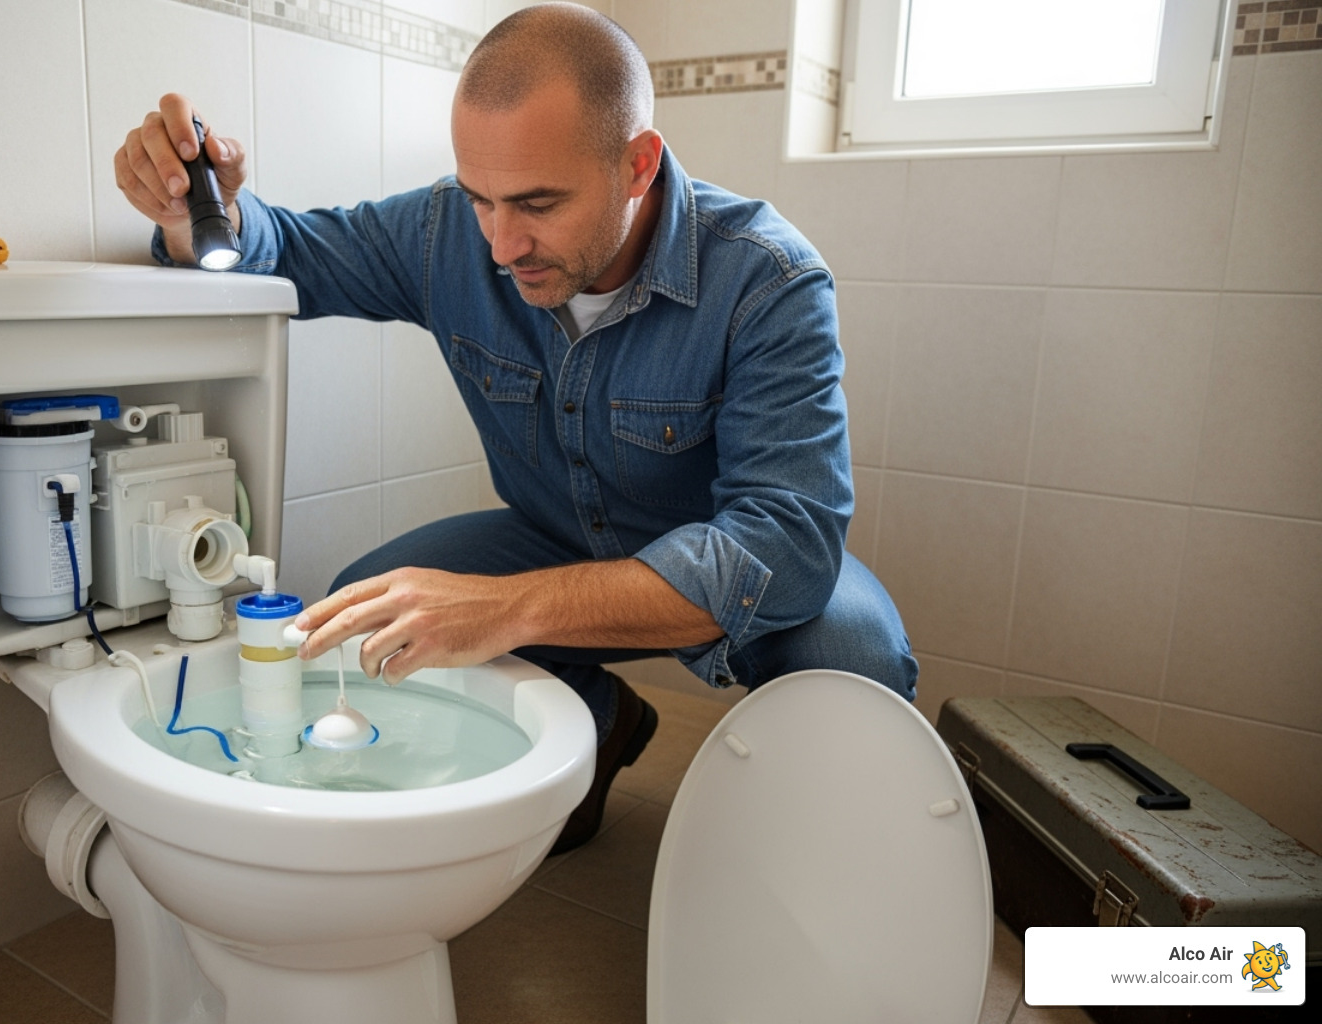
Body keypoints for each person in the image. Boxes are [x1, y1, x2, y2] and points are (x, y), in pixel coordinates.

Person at [115, 2, 917, 853]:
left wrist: (507, 609)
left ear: (638, 164)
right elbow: (296, 253)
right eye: (481, 201)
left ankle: (821, 878)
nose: (502, 245)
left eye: (538, 203)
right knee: (371, 610)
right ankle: (602, 720)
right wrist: (203, 217)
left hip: (709, 551)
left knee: (853, 657)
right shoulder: (444, 234)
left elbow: (782, 546)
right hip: (559, 537)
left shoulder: (766, 278)